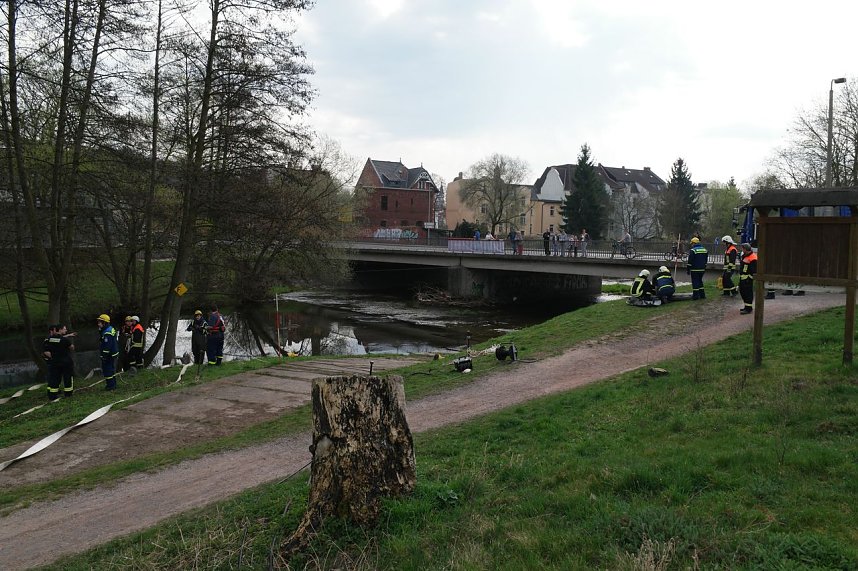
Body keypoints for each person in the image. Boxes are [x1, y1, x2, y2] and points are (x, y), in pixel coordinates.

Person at [42, 324, 76, 400]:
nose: (66, 330)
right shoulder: (65, 340)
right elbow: (71, 347)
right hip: (66, 362)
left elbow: (46, 349)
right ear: (60, 330)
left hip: (55, 362)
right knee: (67, 378)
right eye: (64, 329)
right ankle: (68, 394)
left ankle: (52, 395)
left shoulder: (49, 340)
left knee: (55, 378)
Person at [97, 314, 119, 390]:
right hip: (112, 353)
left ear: (104, 323)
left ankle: (110, 386)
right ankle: (113, 384)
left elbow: (107, 346)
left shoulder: (107, 333)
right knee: (111, 369)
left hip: (109, 354)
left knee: (107, 370)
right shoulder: (109, 328)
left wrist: (103, 356)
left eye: (100, 322)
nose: (98, 324)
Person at [739, 242, 758, 314]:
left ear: (746, 249)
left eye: (743, 248)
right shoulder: (745, 256)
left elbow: (754, 270)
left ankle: (748, 308)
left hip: (747, 279)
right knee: (743, 292)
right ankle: (746, 306)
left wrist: (749, 277)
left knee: (748, 293)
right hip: (743, 278)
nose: (742, 250)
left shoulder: (753, 258)